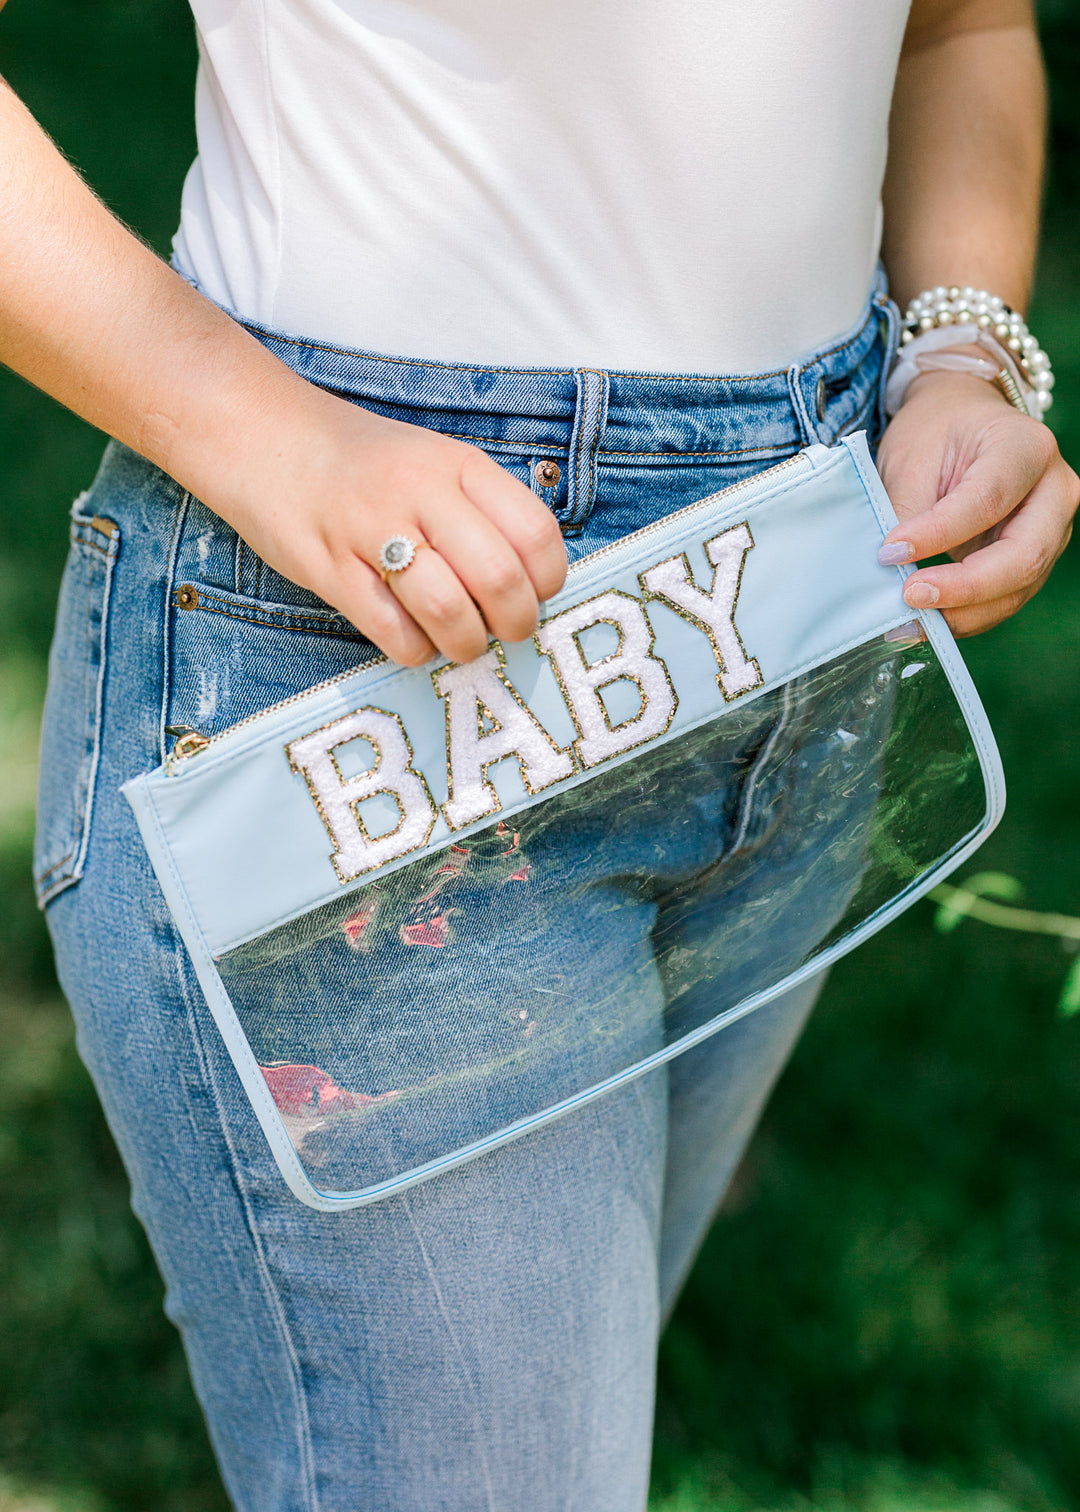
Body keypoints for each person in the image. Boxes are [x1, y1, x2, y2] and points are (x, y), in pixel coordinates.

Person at [4, 0, 1077, 1506]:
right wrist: (273, 442)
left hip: (795, 624)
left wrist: (966, 354)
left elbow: (965, 24)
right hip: (366, 667)